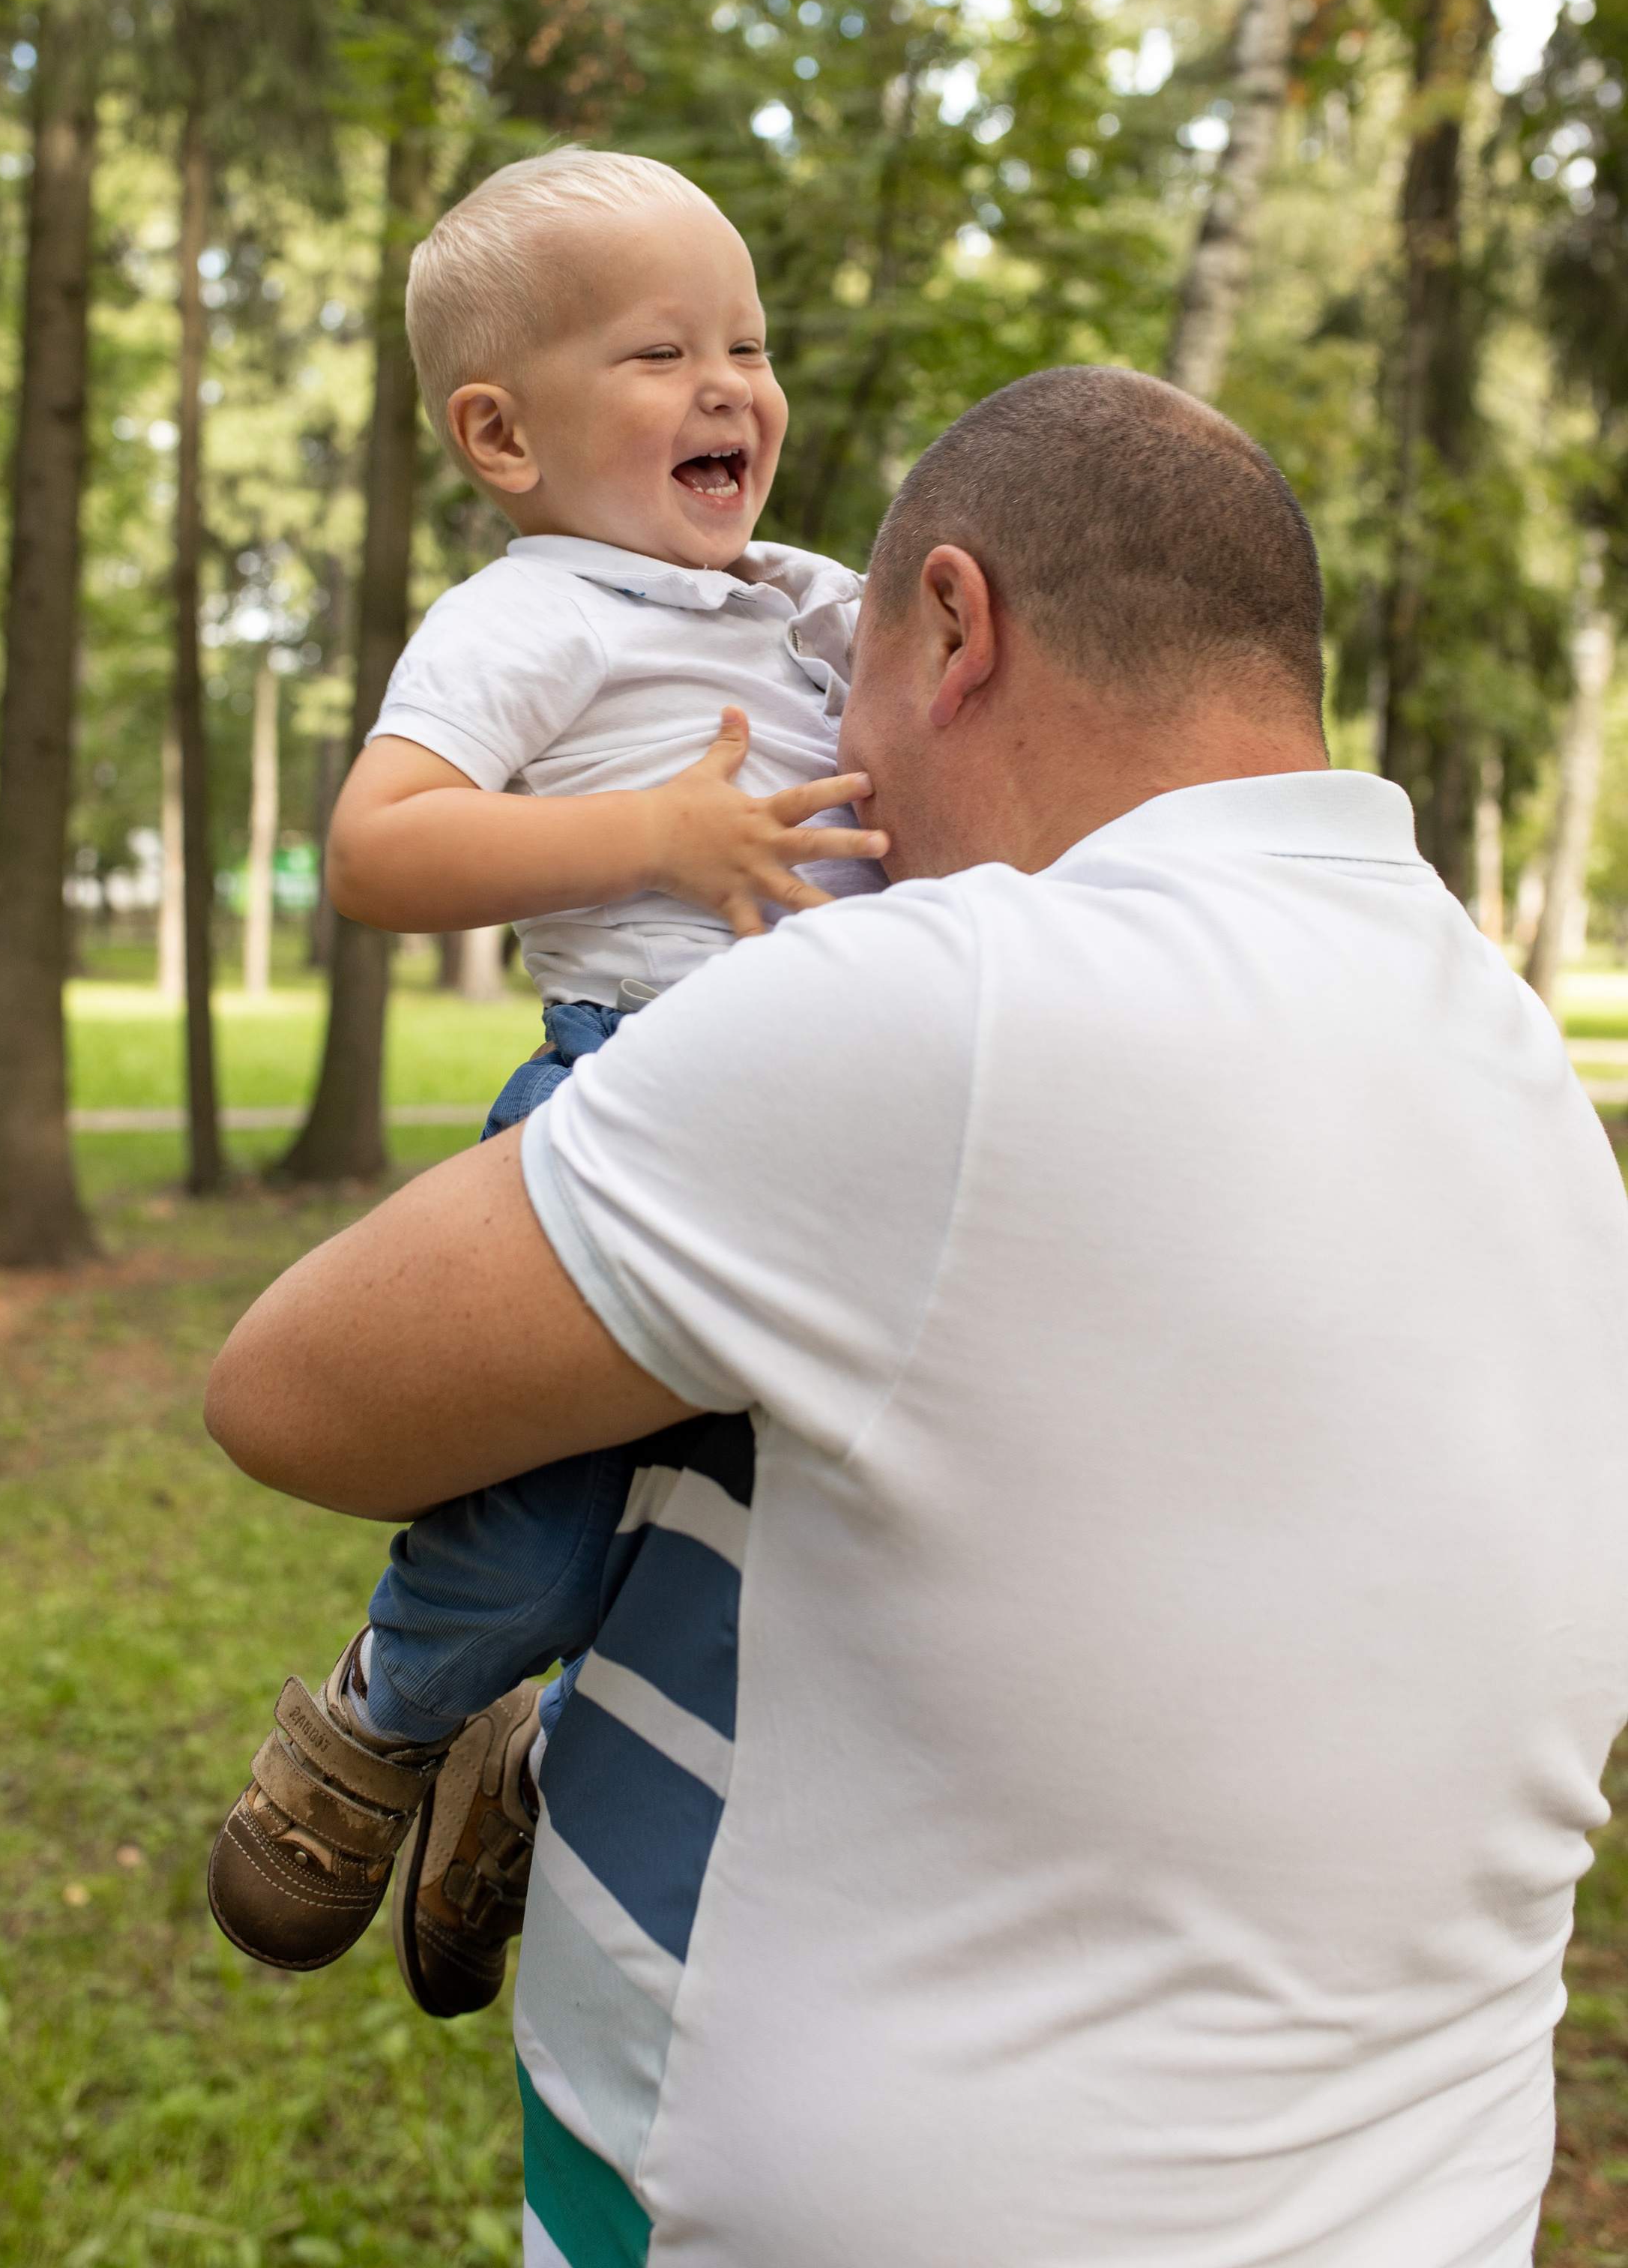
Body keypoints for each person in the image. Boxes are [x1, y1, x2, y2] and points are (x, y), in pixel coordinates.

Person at [205, 366, 1628, 2268]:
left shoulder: (937, 1001)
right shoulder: (1508, 1058)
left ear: (953, 631)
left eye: (837, 701)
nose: (839, 780)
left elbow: (296, 1393)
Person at [205, 145, 886, 2017]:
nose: (730, 388)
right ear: (502, 435)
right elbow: (380, 852)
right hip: (623, 1107)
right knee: (535, 1545)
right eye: (660, 353)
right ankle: (385, 1715)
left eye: (744, 345)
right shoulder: (539, 613)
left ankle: (545, 1761)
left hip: (827, 1136)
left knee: (738, 1552)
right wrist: (651, 839)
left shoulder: (808, 601)